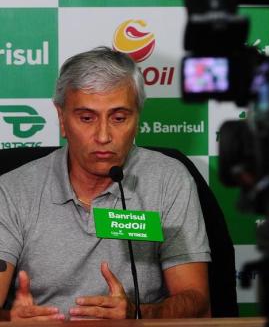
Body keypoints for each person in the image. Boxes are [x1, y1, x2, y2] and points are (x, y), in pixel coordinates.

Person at [0, 47, 211, 321]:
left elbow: (197, 301)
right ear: (62, 118)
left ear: (137, 119)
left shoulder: (169, 179)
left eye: (119, 118)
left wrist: (136, 313)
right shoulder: (14, 189)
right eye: (86, 118)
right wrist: (12, 320)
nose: (103, 136)